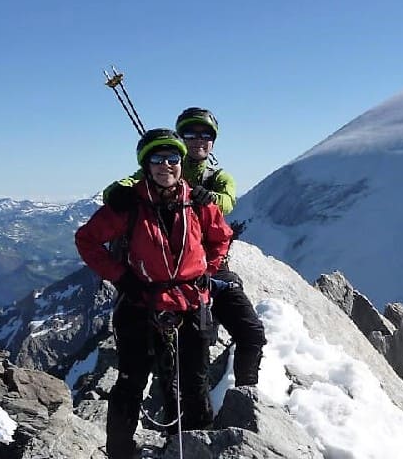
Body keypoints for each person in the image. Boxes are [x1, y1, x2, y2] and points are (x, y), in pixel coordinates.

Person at [77, 128, 233, 458]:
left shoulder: (198, 202)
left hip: (190, 303)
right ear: (146, 165)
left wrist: (209, 270)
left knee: (195, 382)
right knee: (132, 382)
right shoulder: (130, 204)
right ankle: (120, 451)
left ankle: (191, 446)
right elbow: (87, 240)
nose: (166, 165)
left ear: (181, 161)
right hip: (142, 303)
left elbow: (221, 237)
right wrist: (121, 276)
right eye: (157, 159)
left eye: (173, 158)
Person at [104, 107, 267, 387]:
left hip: (208, 270)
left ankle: (244, 397)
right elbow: (120, 188)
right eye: (190, 133)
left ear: (213, 141)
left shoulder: (217, 179)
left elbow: (227, 201)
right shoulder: (156, 173)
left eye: (205, 134)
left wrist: (203, 197)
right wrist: (119, 191)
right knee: (183, 358)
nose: (198, 139)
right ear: (181, 138)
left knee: (251, 333)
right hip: (165, 275)